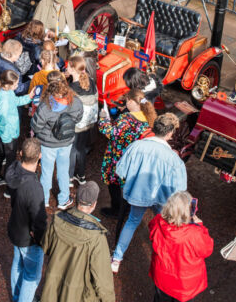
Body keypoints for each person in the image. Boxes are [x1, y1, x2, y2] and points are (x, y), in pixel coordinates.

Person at [112, 112, 186, 273]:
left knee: (132, 222)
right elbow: (180, 188)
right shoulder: (173, 159)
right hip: (161, 198)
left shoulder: (137, 146)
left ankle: (116, 258)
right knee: (164, 227)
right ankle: (163, 263)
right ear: (169, 133)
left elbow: (121, 170)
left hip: (138, 194)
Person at [40, 181, 115, 302]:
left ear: (76, 199)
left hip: (52, 289)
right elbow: (102, 280)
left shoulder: (57, 219)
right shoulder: (97, 238)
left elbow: (45, 246)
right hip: (77, 294)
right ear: (94, 204)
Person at [98, 87, 155, 219]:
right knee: (127, 183)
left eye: (128, 100)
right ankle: (127, 206)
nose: (126, 102)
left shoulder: (126, 119)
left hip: (118, 155)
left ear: (134, 102)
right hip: (134, 156)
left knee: (114, 182)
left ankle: (117, 210)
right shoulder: (147, 116)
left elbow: (110, 132)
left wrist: (103, 117)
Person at [31, 72, 83, 210]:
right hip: (66, 142)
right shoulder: (76, 102)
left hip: (48, 144)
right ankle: (63, 199)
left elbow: (36, 126)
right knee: (63, 170)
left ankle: (44, 200)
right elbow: (77, 119)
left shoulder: (45, 106)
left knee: (46, 172)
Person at [148, 191, 213, 302]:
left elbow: (152, 229)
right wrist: (200, 226)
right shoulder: (195, 233)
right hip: (185, 285)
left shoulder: (157, 221)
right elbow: (207, 250)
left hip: (163, 278)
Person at [6, 137, 48, 302]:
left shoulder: (13, 170)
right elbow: (39, 222)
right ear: (40, 156)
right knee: (32, 276)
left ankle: (17, 297)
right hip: (29, 240)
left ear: (21, 154)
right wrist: (40, 239)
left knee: (17, 264)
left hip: (15, 229)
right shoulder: (35, 188)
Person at [0, 70, 37, 195]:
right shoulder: (4, 100)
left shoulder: (6, 92)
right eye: (16, 84)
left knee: (0, 156)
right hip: (8, 136)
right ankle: (9, 190)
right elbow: (2, 121)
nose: (17, 86)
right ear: (8, 85)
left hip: (4, 135)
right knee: (10, 163)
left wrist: (29, 97)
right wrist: (7, 140)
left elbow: (16, 102)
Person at [66, 54, 98, 185]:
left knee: (72, 150)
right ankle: (81, 175)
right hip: (88, 122)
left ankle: (69, 176)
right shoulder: (90, 81)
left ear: (73, 69)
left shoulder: (72, 89)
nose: (66, 68)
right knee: (81, 148)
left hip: (76, 124)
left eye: (68, 66)